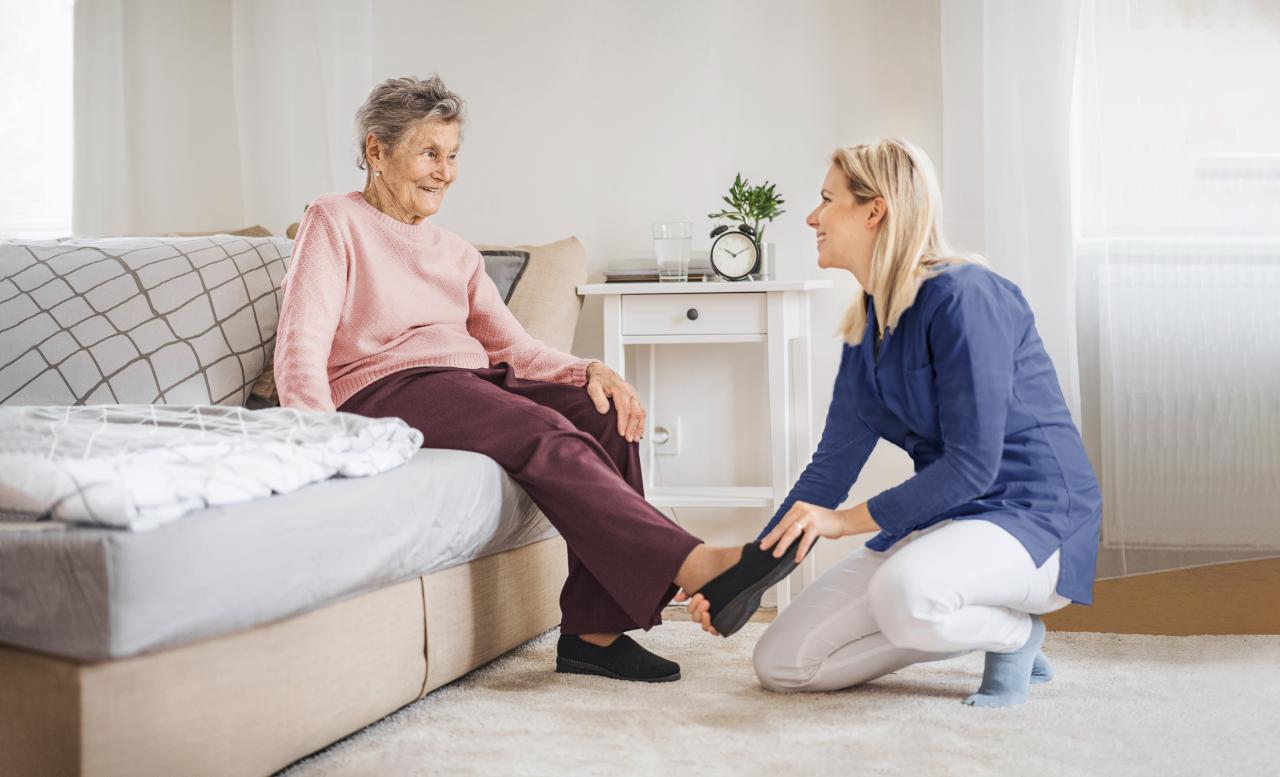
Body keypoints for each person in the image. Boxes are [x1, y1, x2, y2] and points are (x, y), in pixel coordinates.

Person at [273, 75, 749, 683]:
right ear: (376, 151)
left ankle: (593, 635)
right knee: (539, 429)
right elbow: (301, 339)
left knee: (600, 411)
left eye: (451, 156)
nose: (444, 172)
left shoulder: (456, 252)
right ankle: (695, 561)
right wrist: (317, 437)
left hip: (465, 381)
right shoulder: (334, 219)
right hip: (384, 388)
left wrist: (589, 371)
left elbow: (513, 348)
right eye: (428, 153)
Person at [680, 138, 1102, 708]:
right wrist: (749, 575)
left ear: (874, 209)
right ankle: (959, 617)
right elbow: (829, 471)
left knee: (907, 596)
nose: (813, 217)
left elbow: (972, 466)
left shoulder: (965, 296)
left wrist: (843, 523)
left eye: (827, 200)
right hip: (947, 521)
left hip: (1035, 518)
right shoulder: (867, 326)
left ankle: (1015, 635)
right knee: (782, 663)